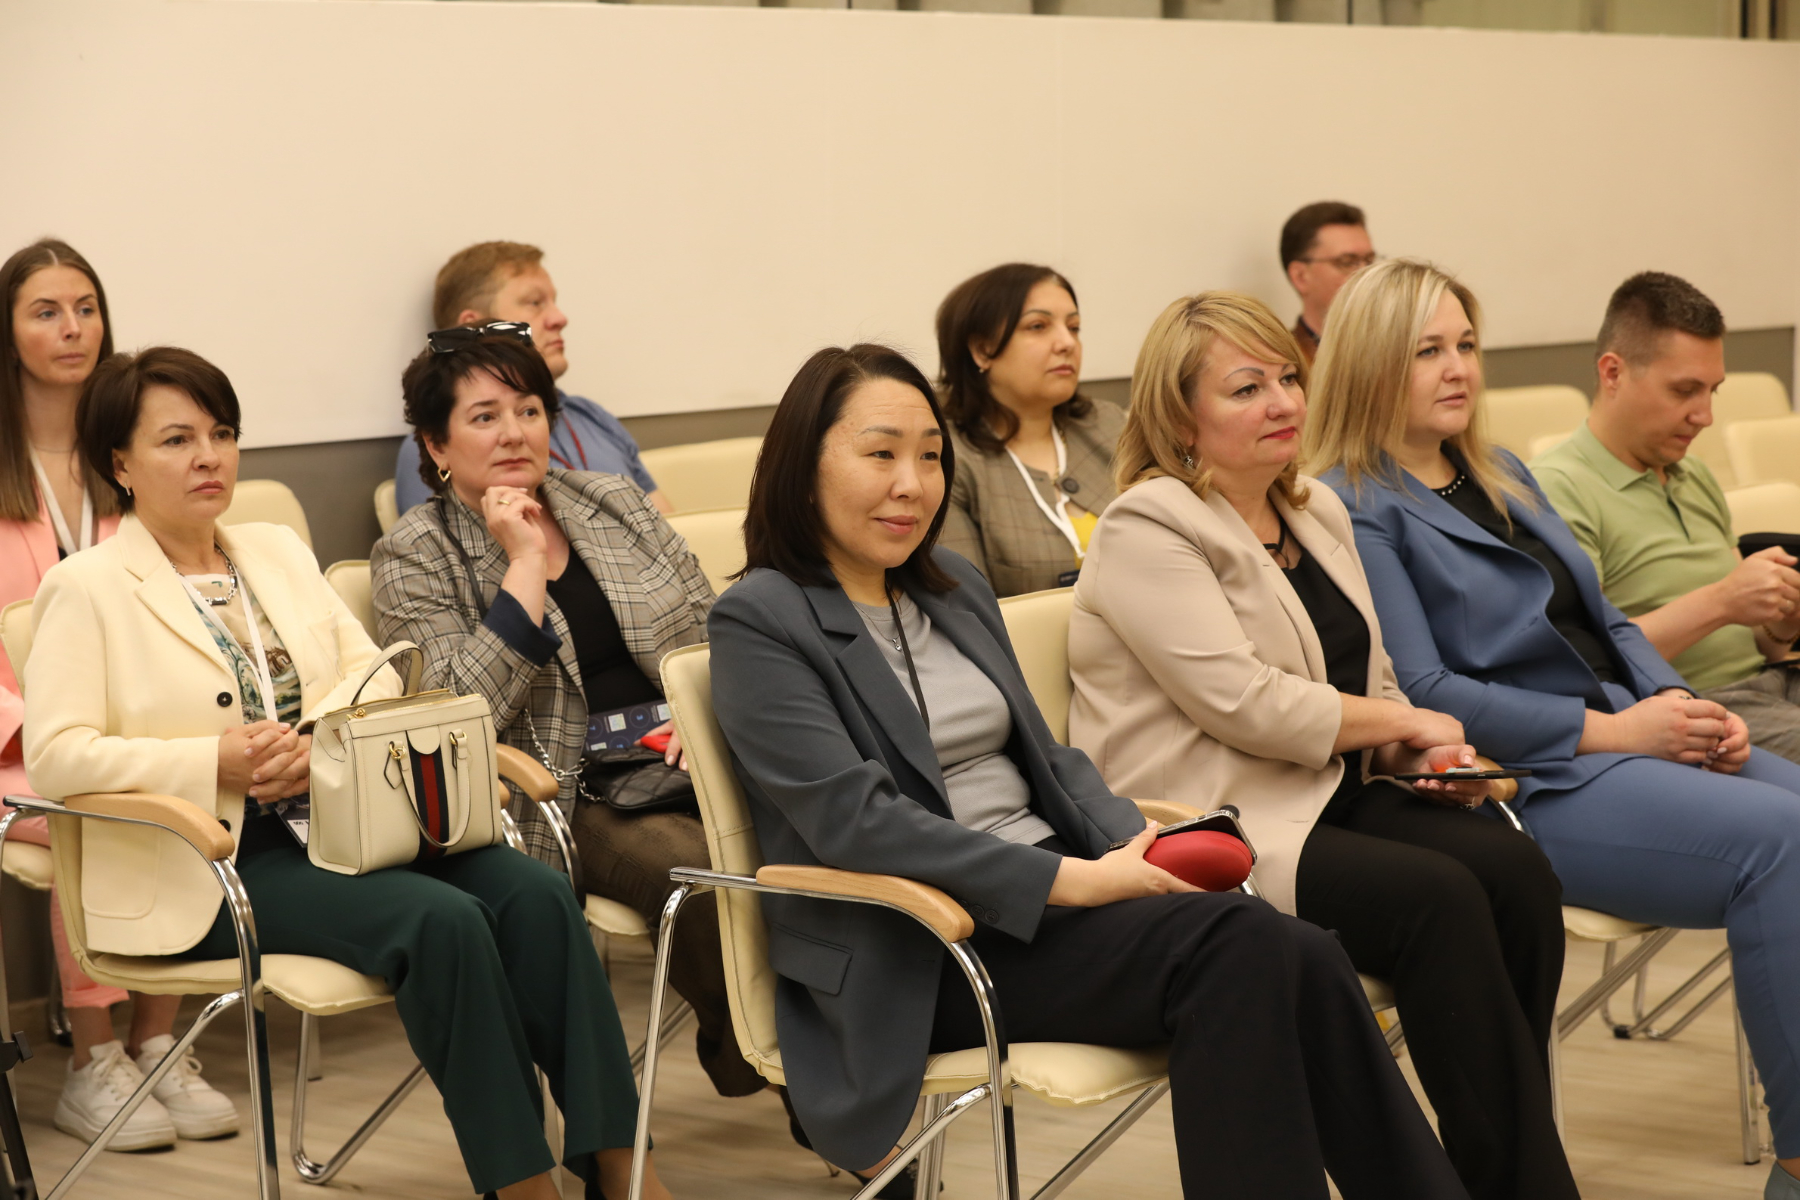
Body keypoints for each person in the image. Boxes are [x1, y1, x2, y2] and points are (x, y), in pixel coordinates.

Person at [707, 342, 1471, 1199]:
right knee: (1242, 949)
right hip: (924, 945)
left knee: (1306, 954)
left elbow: (1049, 757)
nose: (912, 484)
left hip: (1052, 900)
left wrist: (1130, 844)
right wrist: (1074, 882)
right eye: (880, 454)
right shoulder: (760, 619)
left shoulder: (950, 586)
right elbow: (858, 824)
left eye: (930, 456)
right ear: (802, 468)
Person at [26, 346, 668, 1200]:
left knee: (536, 895)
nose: (209, 457)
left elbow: (375, 673)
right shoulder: (87, 587)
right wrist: (212, 761)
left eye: (222, 434)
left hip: (342, 822)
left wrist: (312, 736)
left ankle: (621, 1166)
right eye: (177, 440)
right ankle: (521, 1183)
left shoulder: (274, 551)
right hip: (214, 862)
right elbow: (57, 756)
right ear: (121, 464)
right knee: (440, 921)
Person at [1306, 257, 1800, 1200]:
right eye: (1427, 351)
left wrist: (1691, 713)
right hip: (1531, 775)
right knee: (1782, 839)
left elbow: (1608, 623)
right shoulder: (1353, 503)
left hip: (1627, 730)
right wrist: (1625, 733)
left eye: (1466, 344)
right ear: (1370, 362)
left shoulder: (1500, 470)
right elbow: (1427, 690)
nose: (1459, 368)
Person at [1068, 291, 1573, 1200]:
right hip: (1219, 819)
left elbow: (1373, 685)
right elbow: (1247, 705)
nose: (1283, 403)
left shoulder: (1314, 512)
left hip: (1327, 791)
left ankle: (1506, 1168)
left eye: (1288, 379)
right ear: (1180, 418)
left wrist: (1422, 759)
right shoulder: (1149, 525)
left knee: (1517, 873)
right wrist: (1408, 725)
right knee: (1439, 899)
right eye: (1246, 388)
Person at [372, 326, 768, 1106]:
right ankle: (796, 1077)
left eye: (529, 410)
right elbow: (456, 716)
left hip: (690, 755)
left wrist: (704, 713)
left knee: (824, 848)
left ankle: (821, 1057)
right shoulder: (416, 552)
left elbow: (716, 630)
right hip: (564, 789)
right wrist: (523, 564)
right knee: (710, 879)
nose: (514, 433)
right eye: (485, 417)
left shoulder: (609, 500)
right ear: (436, 445)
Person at [0, 238, 237, 1152]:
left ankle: (156, 1042)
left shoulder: (134, 450)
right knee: (93, 809)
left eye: (86, 308)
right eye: (46, 311)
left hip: (134, 726)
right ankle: (94, 1055)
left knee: (185, 785)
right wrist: (34, 728)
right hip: (21, 748)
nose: (73, 328)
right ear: (7, 332)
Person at [1532, 272, 1800, 762]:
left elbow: (1761, 646)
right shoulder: (1557, 488)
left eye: (1713, 391)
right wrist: (1722, 601)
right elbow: (1586, 661)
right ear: (1612, 374)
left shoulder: (1692, 474)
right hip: (1694, 707)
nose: (1705, 416)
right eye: (1684, 391)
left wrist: (1783, 619)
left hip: (1775, 683)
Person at [393, 242, 669, 515]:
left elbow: (666, 524)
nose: (559, 318)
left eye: (529, 412)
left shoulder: (593, 417)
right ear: (472, 325)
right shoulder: (440, 447)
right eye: (534, 303)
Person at [935, 263, 1124, 597]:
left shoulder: (1109, 424)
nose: (1067, 342)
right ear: (982, 350)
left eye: (1074, 327)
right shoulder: (948, 460)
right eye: (1038, 326)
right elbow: (967, 606)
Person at [1279, 201, 1376, 365]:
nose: (1366, 274)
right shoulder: (1284, 364)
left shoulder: (1396, 348)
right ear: (1300, 277)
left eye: (1369, 260)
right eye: (1347, 262)